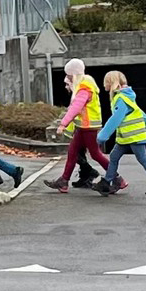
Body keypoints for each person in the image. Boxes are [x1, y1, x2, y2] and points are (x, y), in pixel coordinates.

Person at [94, 70, 146, 199]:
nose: (104, 85)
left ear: (111, 83)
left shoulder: (120, 99)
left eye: (105, 82)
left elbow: (115, 119)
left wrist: (102, 136)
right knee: (114, 156)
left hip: (133, 136)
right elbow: (139, 112)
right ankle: (106, 183)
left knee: (143, 159)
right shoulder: (126, 96)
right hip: (126, 137)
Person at [45, 58, 110, 193]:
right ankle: (63, 181)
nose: (67, 78)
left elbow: (76, 107)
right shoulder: (85, 84)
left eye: (69, 75)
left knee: (95, 154)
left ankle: (116, 177)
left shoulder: (84, 87)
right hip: (84, 126)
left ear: (74, 74)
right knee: (73, 152)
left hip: (88, 126)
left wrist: (63, 124)